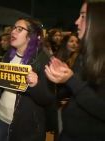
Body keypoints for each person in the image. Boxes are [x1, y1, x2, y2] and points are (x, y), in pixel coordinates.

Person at [0, 17, 54, 141]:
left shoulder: (43, 60)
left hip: (24, 127)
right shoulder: (7, 56)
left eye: (20, 29)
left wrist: (34, 85)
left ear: (31, 35)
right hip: (0, 118)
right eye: (14, 28)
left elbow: (48, 99)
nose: (13, 32)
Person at [45, 1, 105, 141]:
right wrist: (57, 78)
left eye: (83, 16)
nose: (76, 21)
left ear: (98, 21)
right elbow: (70, 92)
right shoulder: (84, 55)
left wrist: (71, 80)